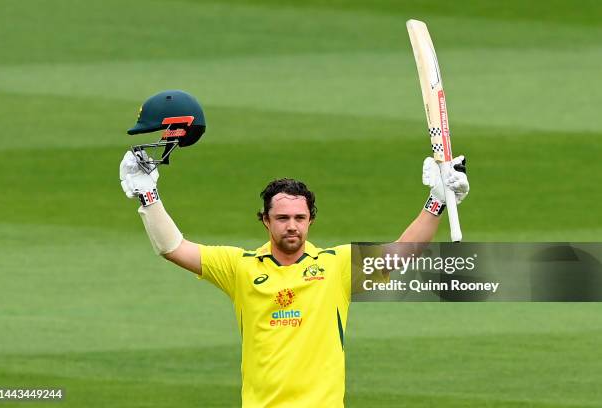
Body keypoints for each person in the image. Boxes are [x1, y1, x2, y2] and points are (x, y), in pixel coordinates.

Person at [119, 90, 470, 407]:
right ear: (266, 221)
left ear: (310, 220)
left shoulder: (336, 266)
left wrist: (437, 201)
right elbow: (174, 248)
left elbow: (403, 252)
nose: (292, 225)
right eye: (283, 217)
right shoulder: (240, 267)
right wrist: (148, 197)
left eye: (300, 217)